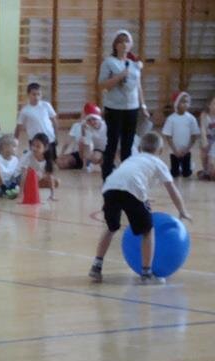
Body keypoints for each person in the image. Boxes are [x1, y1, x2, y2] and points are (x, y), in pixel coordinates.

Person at [88, 132, 191, 284]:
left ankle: (96, 267)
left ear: (141, 148)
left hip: (110, 187)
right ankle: (146, 273)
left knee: (111, 227)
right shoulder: (158, 162)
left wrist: (143, 197)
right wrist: (182, 210)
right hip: (132, 190)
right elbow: (172, 189)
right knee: (148, 230)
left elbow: (127, 178)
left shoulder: (132, 159)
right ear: (160, 150)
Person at [98, 29, 149, 180]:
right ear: (115, 45)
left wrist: (143, 106)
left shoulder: (134, 64)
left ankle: (126, 175)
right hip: (114, 108)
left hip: (132, 108)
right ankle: (107, 176)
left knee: (128, 144)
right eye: (120, 42)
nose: (124, 45)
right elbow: (102, 85)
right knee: (112, 143)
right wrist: (120, 76)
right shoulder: (108, 63)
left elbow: (138, 86)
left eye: (127, 41)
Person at [14, 83, 58, 164]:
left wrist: (56, 135)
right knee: (36, 162)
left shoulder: (46, 105)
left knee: (51, 161)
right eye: (34, 94)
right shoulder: (25, 110)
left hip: (49, 138)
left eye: (38, 94)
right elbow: (19, 126)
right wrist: (15, 140)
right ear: (28, 95)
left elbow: (54, 120)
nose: (36, 97)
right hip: (35, 140)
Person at [56, 103, 107, 171]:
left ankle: (105, 162)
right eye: (89, 120)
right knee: (61, 163)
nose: (92, 122)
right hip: (84, 152)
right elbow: (68, 143)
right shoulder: (83, 127)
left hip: (102, 151)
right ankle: (87, 164)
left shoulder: (106, 126)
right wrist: (61, 155)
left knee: (96, 156)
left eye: (94, 119)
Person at [162, 91, 200, 178]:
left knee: (186, 174)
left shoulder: (191, 119)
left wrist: (187, 149)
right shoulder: (171, 119)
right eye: (183, 102)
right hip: (174, 151)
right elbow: (168, 136)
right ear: (176, 104)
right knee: (174, 174)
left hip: (186, 151)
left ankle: (189, 167)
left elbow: (194, 136)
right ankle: (177, 168)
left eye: (187, 102)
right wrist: (175, 150)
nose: (185, 104)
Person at [19, 133, 58, 201]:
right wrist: (21, 193)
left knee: (56, 181)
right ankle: (28, 188)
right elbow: (23, 175)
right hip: (19, 178)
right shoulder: (28, 156)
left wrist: (52, 195)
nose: (34, 148)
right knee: (36, 174)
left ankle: (34, 186)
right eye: (33, 145)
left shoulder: (47, 159)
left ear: (45, 148)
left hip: (36, 178)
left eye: (38, 146)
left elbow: (50, 176)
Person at [197, 94, 215, 180]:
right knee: (204, 155)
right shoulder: (204, 115)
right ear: (209, 105)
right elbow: (203, 129)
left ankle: (211, 169)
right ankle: (205, 170)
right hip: (207, 138)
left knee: (211, 160)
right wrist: (204, 140)